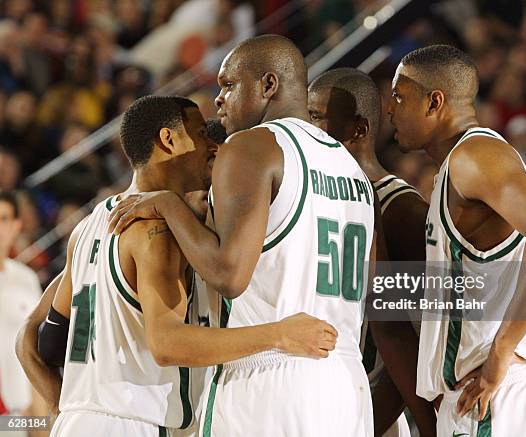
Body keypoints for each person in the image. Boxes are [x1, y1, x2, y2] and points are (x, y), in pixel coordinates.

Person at [16, 95, 337, 437]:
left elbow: (30, 338)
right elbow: (167, 344)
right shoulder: (159, 232)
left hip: (80, 422)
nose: (210, 147)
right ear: (168, 140)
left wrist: (64, 410)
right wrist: (280, 335)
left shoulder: (88, 226)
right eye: (200, 134)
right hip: (134, 423)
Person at [108, 35, 378, 437]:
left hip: (270, 375)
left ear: (269, 85)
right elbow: (370, 294)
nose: (218, 100)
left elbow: (229, 275)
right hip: (346, 382)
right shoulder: (352, 170)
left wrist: (168, 204)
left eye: (229, 85)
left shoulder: (252, 146)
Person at [387, 45, 526, 436]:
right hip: (502, 394)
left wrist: (502, 349)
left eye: (398, 97)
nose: (389, 110)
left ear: (433, 102)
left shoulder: (474, 156)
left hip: (497, 395)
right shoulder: (460, 165)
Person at [307, 67, 435, 437]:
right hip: (317, 398)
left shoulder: (402, 210)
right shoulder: (318, 193)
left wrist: (367, 424)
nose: (306, 128)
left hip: (367, 410)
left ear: (358, 129)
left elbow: (416, 341)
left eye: (316, 117)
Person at [0, 191, 47, 437]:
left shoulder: (26, 278)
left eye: (4, 219)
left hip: (21, 415)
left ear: (17, 225)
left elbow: (35, 347)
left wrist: (39, 418)